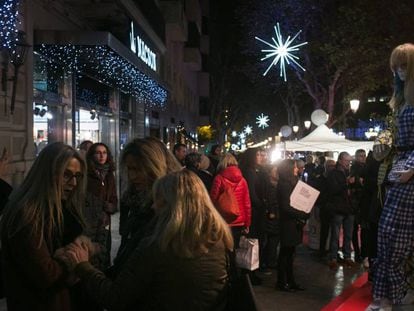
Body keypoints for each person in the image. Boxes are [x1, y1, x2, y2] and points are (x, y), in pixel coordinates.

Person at [62, 170, 233, 311]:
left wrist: (82, 266)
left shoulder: (158, 246)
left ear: (171, 205)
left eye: (158, 200)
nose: (153, 206)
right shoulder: (219, 240)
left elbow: (115, 298)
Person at [0, 142, 87, 311]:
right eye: (66, 175)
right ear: (48, 173)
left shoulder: (61, 207)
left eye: (78, 176)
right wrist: (76, 261)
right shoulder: (27, 214)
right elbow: (47, 274)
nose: (74, 183)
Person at [366, 43, 414, 311]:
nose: (399, 71)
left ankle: (389, 298)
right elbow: (390, 133)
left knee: (395, 239)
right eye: (396, 67)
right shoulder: (402, 103)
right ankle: (385, 297)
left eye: (405, 65)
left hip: (408, 173)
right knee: (387, 237)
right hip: (399, 171)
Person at [117, 137, 182, 267]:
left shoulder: (170, 207)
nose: (132, 176)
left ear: (155, 167)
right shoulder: (136, 199)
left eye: (138, 169)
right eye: (129, 169)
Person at [276, 159, 309, 292]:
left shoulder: (292, 182)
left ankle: (290, 280)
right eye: (295, 167)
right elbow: (286, 207)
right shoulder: (284, 184)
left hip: (293, 222)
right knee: (285, 253)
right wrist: (302, 214)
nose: (297, 169)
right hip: (287, 223)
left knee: (290, 253)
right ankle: (282, 281)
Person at [85, 143, 118, 269]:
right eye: (98, 153)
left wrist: (110, 206)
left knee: (105, 251)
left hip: (105, 221)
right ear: (92, 155)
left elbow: (114, 197)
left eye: (104, 152)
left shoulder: (109, 174)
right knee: (92, 254)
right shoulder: (87, 174)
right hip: (90, 222)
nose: (101, 155)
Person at [210, 153, 251, 247]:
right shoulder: (243, 180)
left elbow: (212, 200)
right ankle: (233, 262)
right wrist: (247, 223)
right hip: (239, 219)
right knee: (235, 246)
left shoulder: (219, 178)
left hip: (223, 218)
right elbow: (247, 203)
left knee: (224, 247)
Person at [326, 152, 358, 270]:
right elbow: (333, 190)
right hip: (338, 207)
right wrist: (347, 183)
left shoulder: (349, 172)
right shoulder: (334, 173)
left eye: (349, 161)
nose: (348, 163)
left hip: (349, 208)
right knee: (335, 234)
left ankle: (347, 256)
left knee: (348, 234)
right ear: (340, 160)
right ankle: (333, 257)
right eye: (346, 161)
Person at [349, 149, 367, 263]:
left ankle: (362, 252)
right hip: (355, 202)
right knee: (354, 229)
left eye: (364, 156)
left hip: (363, 202)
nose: (363, 157)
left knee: (364, 229)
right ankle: (357, 252)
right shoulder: (353, 168)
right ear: (356, 157)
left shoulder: (366, 167)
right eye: (360, 156)